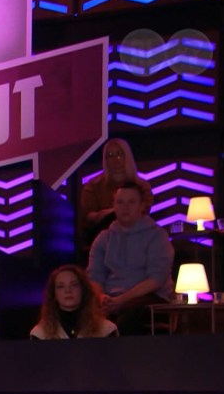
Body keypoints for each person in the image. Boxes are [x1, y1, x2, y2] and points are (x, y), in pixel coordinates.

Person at [88, 180, 175, 335]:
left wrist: (121, 300)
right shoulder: (104, 238)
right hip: (110, 299)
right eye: (120, 202)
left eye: (131, 202)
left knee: (126, 320)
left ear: (142, 206)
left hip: (149, 299)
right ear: (113, 206)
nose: (125, 207)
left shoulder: (157, 236)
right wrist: (101, 297)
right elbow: (95, 276)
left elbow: (156, 279)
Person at [78, 138, 154, 252]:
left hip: (136, 241)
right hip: (102, 242)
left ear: (127, 156)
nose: (115, 159)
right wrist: (102, 216)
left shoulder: (143, 186)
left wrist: (112, 212)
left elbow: (144, 211)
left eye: (119, 154)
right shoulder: (93, 186)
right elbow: (87, 216)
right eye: (110, 155)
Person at [30, 265, 118, 339]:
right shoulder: (40, 334)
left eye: (74, 285)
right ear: (54, 294)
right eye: (61, 286)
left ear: (83, 290)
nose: (68, 290)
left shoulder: (106, 330)